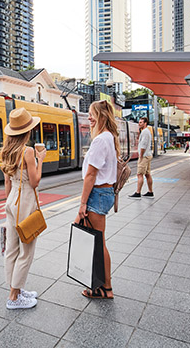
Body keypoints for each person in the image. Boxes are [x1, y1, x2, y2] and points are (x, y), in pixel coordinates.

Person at [0, 108, 46, 310]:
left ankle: (16, 289)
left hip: (11, 201)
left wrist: (8, 205)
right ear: (26, 132)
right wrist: (40, 158)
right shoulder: (27, 151)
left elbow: (7, 183)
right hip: (25, 200)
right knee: (26, 251)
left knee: (11, 250)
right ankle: (14, 297)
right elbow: (35, 182)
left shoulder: (6, 151)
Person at [76, 100, 119, 299]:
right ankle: (100, 285)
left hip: (97, 194)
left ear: (101, 116)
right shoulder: (110, 137)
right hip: (105, 193)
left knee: (98, 243)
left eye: (92, 114)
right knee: (98, 242)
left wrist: (82, 204)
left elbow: (91, 175)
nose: (89, 118)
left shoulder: (101, 139)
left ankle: (105, 288)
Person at [130, 117, 154, 199]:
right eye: (139, 122)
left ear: (145, 123)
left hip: (144, 156)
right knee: (147, 174)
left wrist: (140, 155)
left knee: (139, 174)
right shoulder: (146, 132)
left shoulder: (145, 132)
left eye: (141, 122)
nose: (139, 124)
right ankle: (150, 192)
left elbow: (143, 145)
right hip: (147, 155)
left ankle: (138, 192)